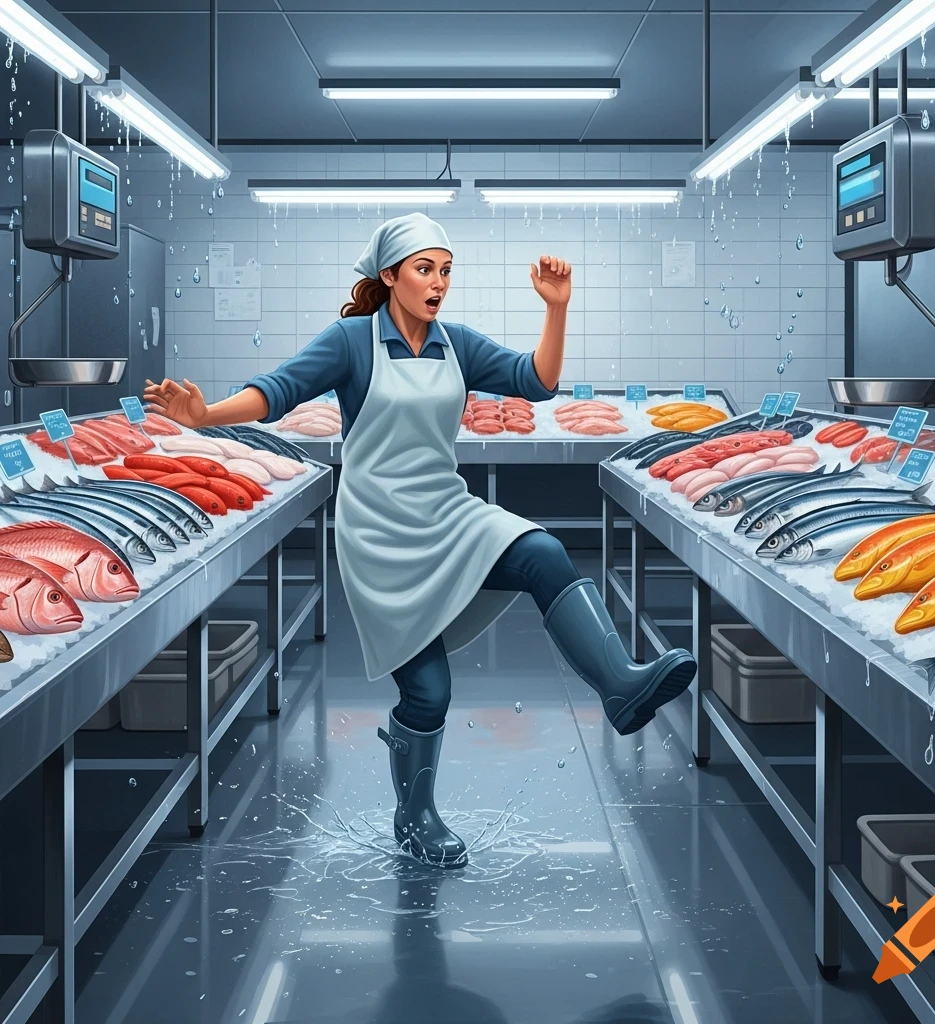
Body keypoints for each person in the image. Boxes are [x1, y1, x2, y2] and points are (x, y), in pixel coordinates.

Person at [144, 212, 696, 869]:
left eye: (446, 271)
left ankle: (619, 685)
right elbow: (278, 391)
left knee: (543, 552)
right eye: (425, 269)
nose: (438, 283)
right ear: (389, 276)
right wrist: (207, 416)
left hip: (447, 511)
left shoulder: (455, 344)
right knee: (429, 691)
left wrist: (556, 309)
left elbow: (537, 382)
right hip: (380, 532)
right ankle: (415, 815)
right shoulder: (351, 341)